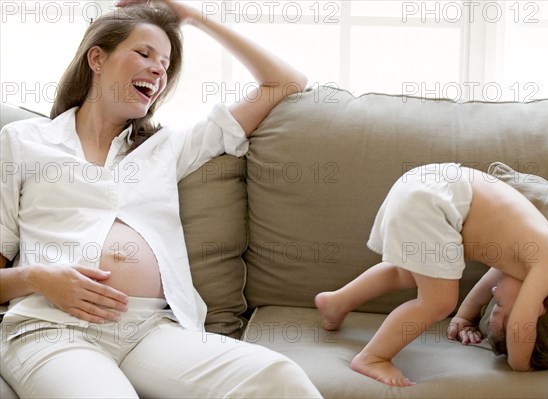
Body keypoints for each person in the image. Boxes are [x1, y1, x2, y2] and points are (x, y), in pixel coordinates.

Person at [0, 1, 322, 398]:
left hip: (150, 332)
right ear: (97, 58)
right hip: (52, 327)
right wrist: (35, 277)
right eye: (144, 53)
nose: (159, 70)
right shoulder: (24, 141)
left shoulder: (170, 147)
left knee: (277, 377)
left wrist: (191, 15)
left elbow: (286, 81)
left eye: (166, 65)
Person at [315, 163, 548, 387]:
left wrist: (463, 318)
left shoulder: (528, 259)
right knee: (439, 302)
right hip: (435, 201)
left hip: (424, 185)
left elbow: (486, 286)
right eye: (501, 307)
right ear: (538, 309)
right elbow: (519, 329)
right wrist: (521, 366)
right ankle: (373, 357)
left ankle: (337, 301)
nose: (494, 295)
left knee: (408, 274)